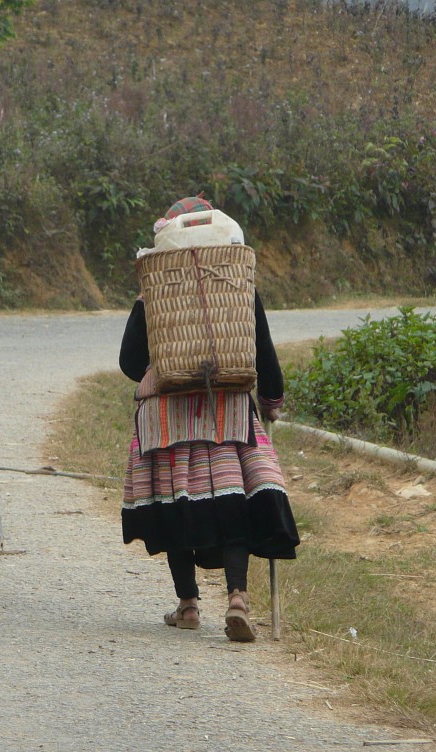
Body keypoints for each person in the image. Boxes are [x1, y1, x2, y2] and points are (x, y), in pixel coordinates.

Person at [118, 196, 299, 642]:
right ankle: (237, 597)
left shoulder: (154, 288)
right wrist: (271, 399)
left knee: (174, 502)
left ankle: (188, 604)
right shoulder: (238, 283)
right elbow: (264, 356)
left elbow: (129, 361)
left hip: (167, 416)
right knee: (233, 501)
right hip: (227, 408)